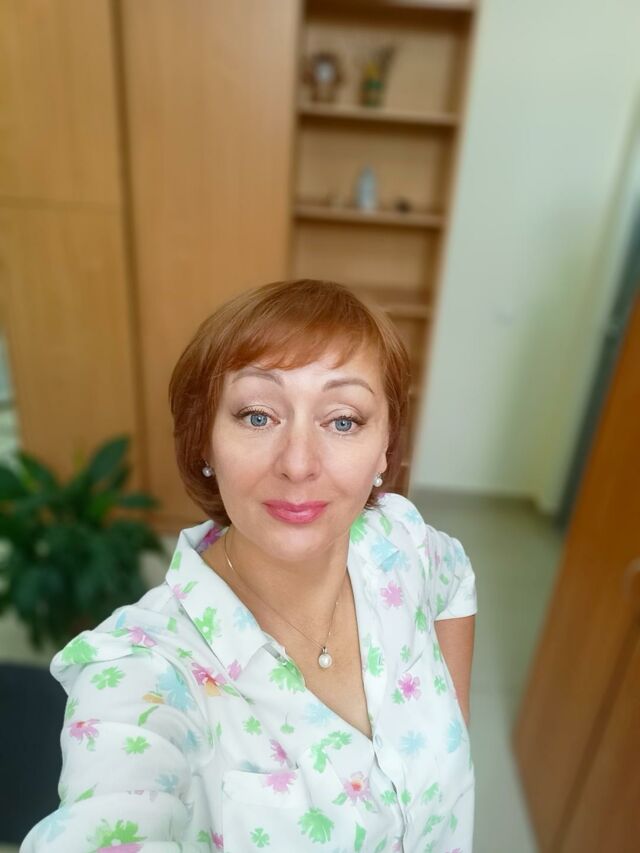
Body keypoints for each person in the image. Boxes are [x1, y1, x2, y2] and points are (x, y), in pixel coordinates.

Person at [22, 278, 477, 852]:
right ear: (205, 442)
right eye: (258, 416)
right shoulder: (145, 670)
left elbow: (454, 577)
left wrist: (450, 732)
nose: (298, 463)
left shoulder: (397, 542)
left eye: (343, 420)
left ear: (385, 447)